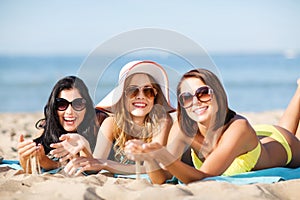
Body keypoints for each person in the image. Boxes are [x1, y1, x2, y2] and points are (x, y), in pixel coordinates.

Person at [125, 68, 300, 184]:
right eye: (186, 97)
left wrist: (162, 154)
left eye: (203, 93)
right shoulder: (183, 127)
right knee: (282, 124)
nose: (196, 102)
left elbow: (205, 177)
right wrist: (150, 158)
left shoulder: (240, 127)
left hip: (283, 143)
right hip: (251, 139)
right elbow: (161, 180)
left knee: (285, 130)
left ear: (218, 94)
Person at [55, 60, 175, 176]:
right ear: (122, 96)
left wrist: (106, 164)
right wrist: (84, 146)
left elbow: (155, 168)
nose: (140, 96)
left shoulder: (162, 121)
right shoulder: (111, 123)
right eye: (132, 91)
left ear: (155, 96)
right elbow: (95, 163)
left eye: (148, 91)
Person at [17, 75, 107, 173]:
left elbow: (94, 169)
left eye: (78, 104)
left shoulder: (100, 122)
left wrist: (84, 147)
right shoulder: (50, 126)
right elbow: (55, 166)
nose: (69, 112)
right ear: (54, 108)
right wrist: (25, 159)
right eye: (61, 104)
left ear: (87, 106)